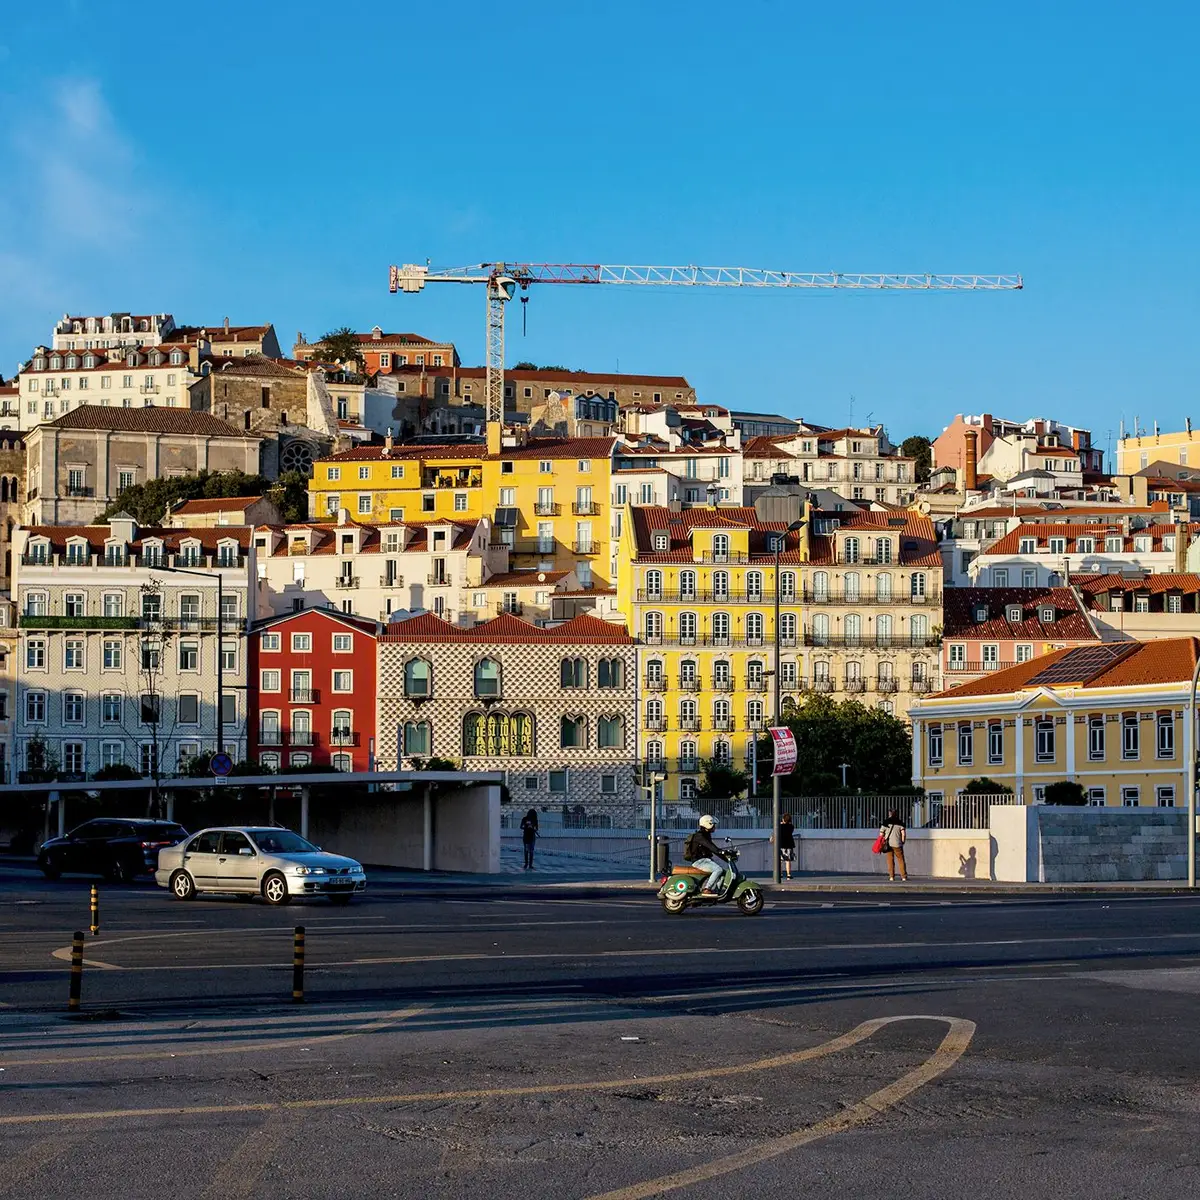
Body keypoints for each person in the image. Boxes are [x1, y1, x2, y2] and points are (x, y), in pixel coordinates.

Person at [685, 814, 730, 894]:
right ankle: (707, 889)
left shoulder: (706, 835)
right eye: (713, 825)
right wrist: (720, 851)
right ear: (708, 824)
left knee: (723, 872)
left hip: (705, 860)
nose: (714, 827)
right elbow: (712, 847)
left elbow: (713, 849)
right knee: (718, 869)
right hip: (699, 862)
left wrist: (726, 858)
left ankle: (716, 891)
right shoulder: (699, 836)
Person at [880, 809, 907, 881]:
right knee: (901, 860)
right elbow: (903, 834)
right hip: (898, 844)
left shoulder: (886, 822)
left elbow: (881, 834)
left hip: (888, 844)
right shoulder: (900, 822)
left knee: (890, 860)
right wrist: (903, 841)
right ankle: (903, 877)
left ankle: (891, 876)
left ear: (890, 814)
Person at [778, 813, 796, 882]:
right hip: (789, 844)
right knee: (787, 860)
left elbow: (778, 832)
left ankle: (780, 873)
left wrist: (781, 824)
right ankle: (788, 874)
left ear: (783, 819)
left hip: (781, 844)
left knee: (780, 860)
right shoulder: (791, 826)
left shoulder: (780, 826)